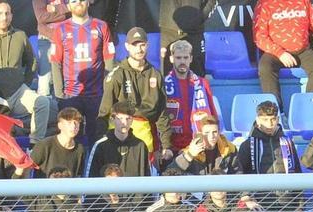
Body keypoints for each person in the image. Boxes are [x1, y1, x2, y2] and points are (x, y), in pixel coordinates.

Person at [0, 1, 50, 143]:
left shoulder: (20, 36)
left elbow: (31, 62)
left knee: (43, 103)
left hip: (18, 92)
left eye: (7, 13)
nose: (4, 17)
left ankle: (34, 145)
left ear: (12, 16)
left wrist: (24, 83)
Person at [100, 27, 173, 160]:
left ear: (148, 45)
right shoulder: (116, 75)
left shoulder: (156, 75)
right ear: (127, 46)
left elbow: (162, 113)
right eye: (135, 45)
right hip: (119, 133)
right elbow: (104, 112)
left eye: (142, 45)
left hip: (146, 133)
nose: (139, 49)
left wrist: (166, 145)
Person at [50, 0, 115, 146]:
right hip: (71, 95)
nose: (78, 3)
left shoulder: (101, 26)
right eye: (74, 0)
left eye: (81, 0)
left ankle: (96, 168)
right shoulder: (60, 29)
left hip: (97, 95)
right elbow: (55, 62)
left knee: (98, 140)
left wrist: (107, 90)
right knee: (71, 141)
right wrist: (60, 95)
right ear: (68, 4)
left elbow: (109, 60)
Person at [253, 0, 313, 105]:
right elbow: (259, 37)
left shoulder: (303, 2)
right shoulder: (265, 3)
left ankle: (309, 107)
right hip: (276, 52)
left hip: (303, 51)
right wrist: (280, 53)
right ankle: (276, 112)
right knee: (265, 67)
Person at [162, 39, 217, 156]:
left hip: (199, 145)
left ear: (191, 59)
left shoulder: (202, 83)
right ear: (171, 59)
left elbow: (213, 116)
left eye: (186, 58)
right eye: (178, 58)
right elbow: (159, 118)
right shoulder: (163, 84)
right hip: (172, 148)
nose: (182, 61)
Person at [85, 101, 151, 178]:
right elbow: (91, 179)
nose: (124, 123)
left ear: (132, 120)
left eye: (128, 118)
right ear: (112, 119)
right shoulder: (100, 146)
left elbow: (146, 177)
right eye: (120, 118)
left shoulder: (140, 145)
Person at [236, 99, 301, 175]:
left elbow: (297, 172)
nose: (269, 124)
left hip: (284, 186)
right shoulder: (247, 145)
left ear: (278, 120)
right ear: (258, 120)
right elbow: (240, 175)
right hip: (258, 186)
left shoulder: (288, 143)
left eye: (273, 119)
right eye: (265, 120)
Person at [160, 0, 218, 75]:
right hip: (169, 30)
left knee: (198, 73)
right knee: (167, 74)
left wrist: (199, 17)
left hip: (195, 30)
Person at [169, 115, 238, 176]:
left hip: (221, 189)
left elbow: (238, 174)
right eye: (207, 133)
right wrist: (189, 155)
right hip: (198, 188)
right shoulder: (191, 151)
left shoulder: (229, 149)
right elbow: (170, 173)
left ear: (219, 132)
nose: (212, 136)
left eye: (214, 132)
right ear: (200, 133)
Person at [30, 106, 85, 177]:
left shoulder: (80, 149)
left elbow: (79, 175)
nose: (74, 126)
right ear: (60, 125)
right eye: (69, 122)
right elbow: (27, 169)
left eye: (76, 122)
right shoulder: (44, 145)